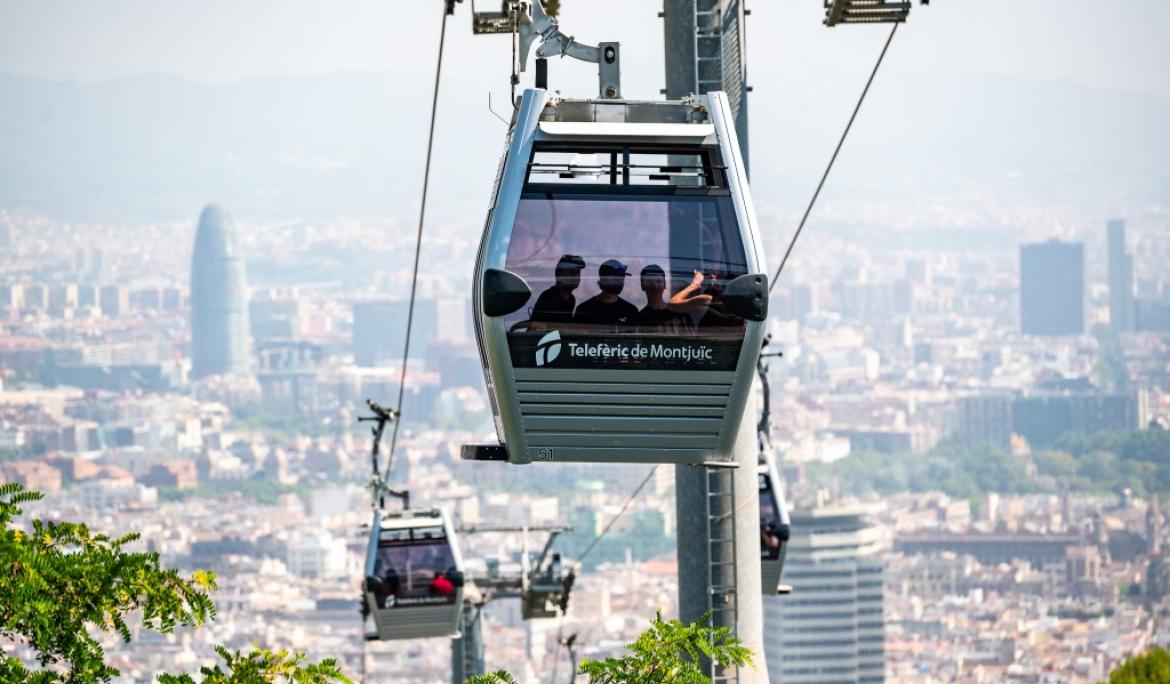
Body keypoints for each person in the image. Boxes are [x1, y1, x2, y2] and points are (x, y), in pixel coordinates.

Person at [573, 259, 639, 329]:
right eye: (615, 278)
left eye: (622, 278)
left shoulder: (631, 311)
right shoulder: (584, 310)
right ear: (603, 280)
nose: (620, 281)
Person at [636, 264, 692, 334]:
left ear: (665, 285)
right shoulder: (638, 319)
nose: (655, 286)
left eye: (658, 281)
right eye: (649, 282)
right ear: (642, 286)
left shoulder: (681, 315)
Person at [530, 254, 585, 324]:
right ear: (558, 274)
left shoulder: (571, 299)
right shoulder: (548, 298)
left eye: (577, 272)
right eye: (571, 272)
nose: (576, 276)